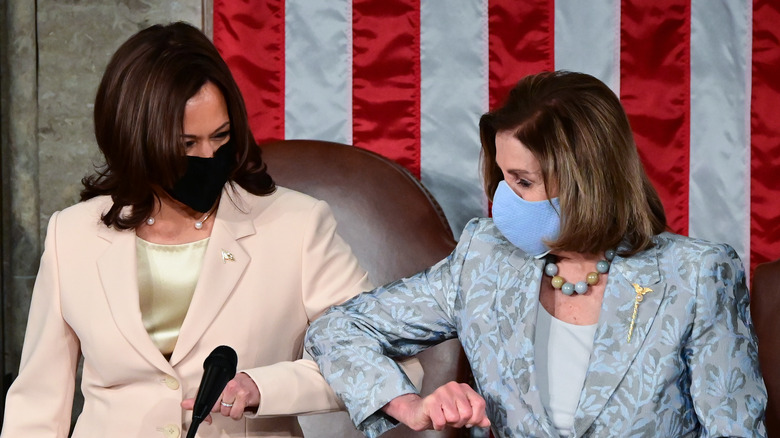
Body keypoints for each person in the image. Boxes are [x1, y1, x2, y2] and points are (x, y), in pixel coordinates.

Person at [1, 22, 421, 438]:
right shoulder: (71, 235)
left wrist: (265, 388)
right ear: (136, 140)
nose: (208, 156)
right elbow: (36, 408)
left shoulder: (297, 225)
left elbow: (391, 362)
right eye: (186, 144)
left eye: (220, 137)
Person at [306, 71, 767, 437]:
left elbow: (733, 430)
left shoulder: (698, 273)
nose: (503, 198)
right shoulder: (485, 258)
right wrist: (408, 404)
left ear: (587, 182)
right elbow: (337, 328)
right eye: (504, 177)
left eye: (523, 181)